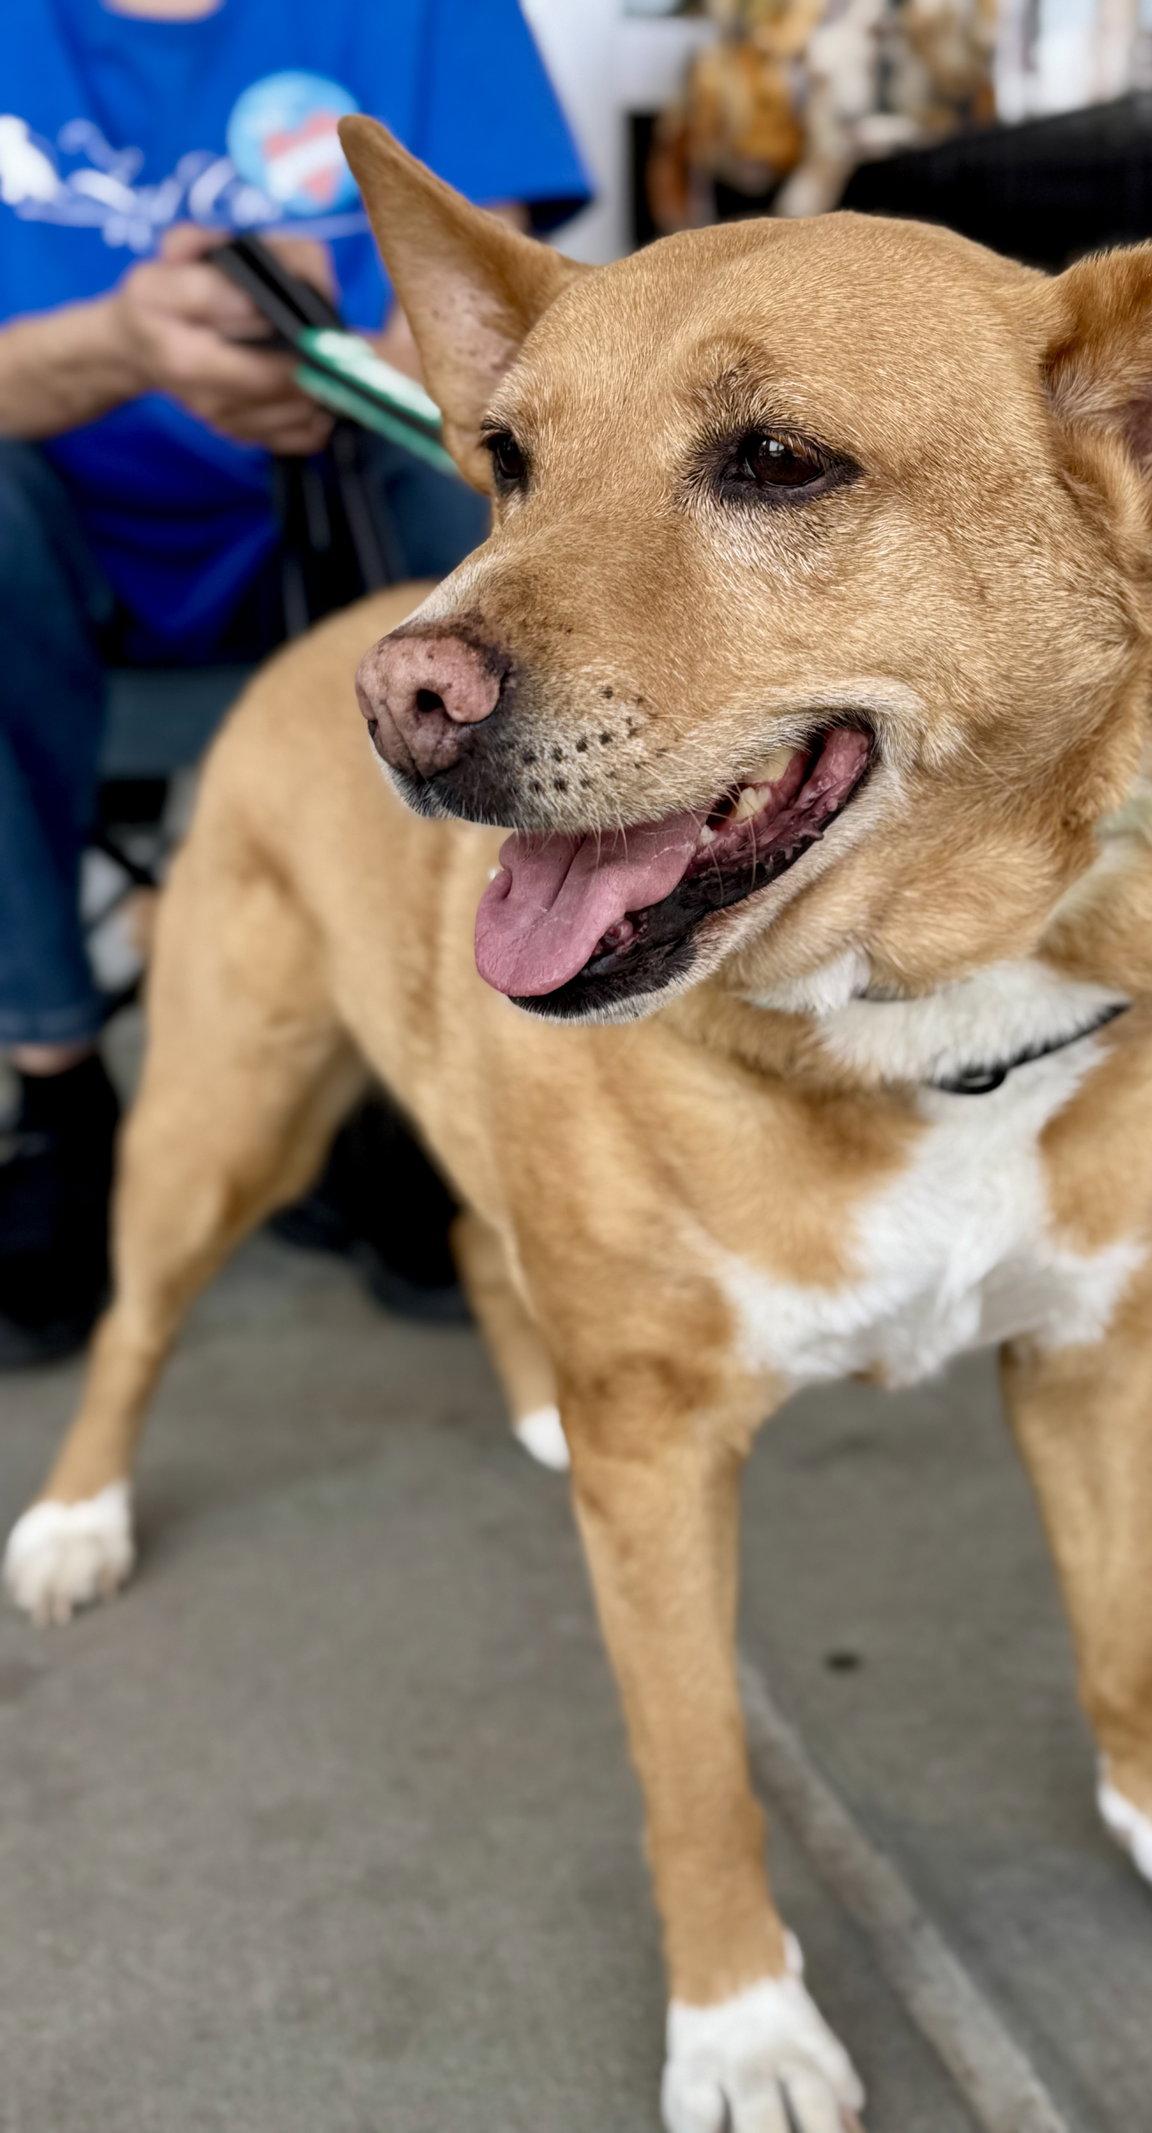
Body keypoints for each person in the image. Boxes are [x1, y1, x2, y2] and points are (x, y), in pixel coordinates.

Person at [0, 0, 590, 1365]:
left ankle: (426, 1069)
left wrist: (343, 370)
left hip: (353, 523)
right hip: (59, 556)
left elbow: (502, 344)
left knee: (469, 486)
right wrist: (122, 347)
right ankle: (57, 1089)